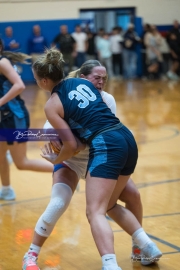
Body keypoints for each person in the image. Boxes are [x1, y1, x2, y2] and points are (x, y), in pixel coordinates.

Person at [31, 49, 162, 270]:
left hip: (103, 147)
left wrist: (55, 160)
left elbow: (72, 145)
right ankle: (145, 244)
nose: (100, 82)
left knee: (96, 211)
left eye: (36, 80)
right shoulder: (82, 85)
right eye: (98, 78)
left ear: (44, 81)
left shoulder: (53, 104)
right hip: (124, 139)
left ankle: (111, 264)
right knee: (104, 204)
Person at [0, 39, 53, 200]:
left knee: (21, 162)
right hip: (4, 118)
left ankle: (65, 170)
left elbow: (19, 85)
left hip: (13, 118)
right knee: (0, 157)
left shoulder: (2, 62)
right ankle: (7, 189)